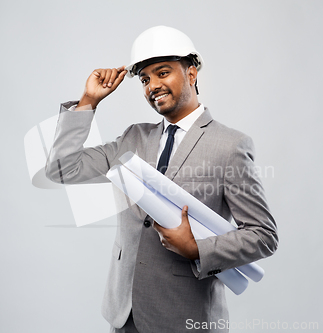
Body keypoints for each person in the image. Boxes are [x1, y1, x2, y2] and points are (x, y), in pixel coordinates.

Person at [46, 26, 278, 333]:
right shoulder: (133, 138)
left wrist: (197, 248)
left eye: (163, 73)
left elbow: (263, 235)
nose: (152, 85)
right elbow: (62, 168)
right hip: (123, 313)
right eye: (144, 79)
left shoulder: (230, 146)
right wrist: (88, 102)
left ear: (192, 73)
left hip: (183, 316)